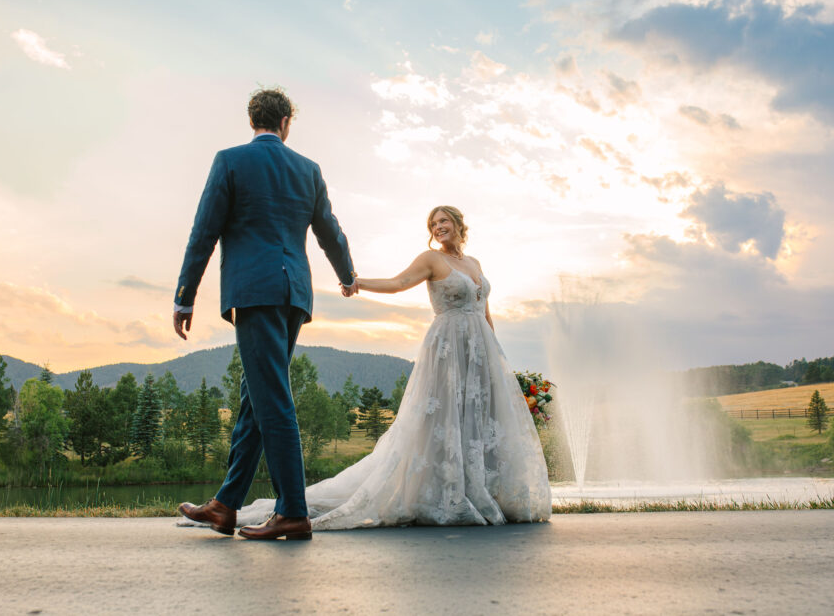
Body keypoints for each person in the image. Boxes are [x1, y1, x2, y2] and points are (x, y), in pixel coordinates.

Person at [231, 205, 551, 530]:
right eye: (433, 224)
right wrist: (358, 282)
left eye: (443, 221)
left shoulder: (474, 263)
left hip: (480, 352)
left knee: (478, 421)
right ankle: (447, 492)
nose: (438, 227)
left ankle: (484, 490)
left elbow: (485, 312)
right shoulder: (431, 260)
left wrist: (496, 360)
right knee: (442, 420)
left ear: (458, 224)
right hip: (448, 349)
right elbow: (399, 283)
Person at [173, 88, 357, 541]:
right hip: (294, 293)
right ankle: (226, 505)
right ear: (286, 123)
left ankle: (292, 511)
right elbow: (329, 230)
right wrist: (347, 273)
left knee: (271, 397)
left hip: (253, 291)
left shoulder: (230, 160)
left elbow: (204, 231)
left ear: (251, 120)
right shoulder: (307, 169)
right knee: (256, 397)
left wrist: (184, 296)